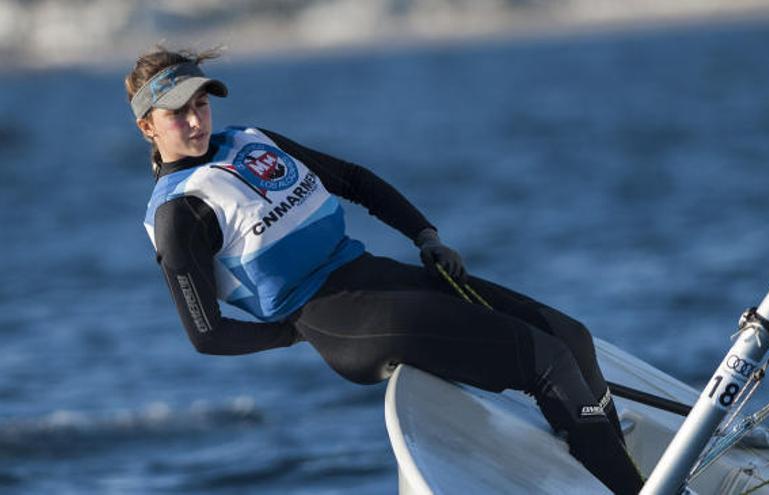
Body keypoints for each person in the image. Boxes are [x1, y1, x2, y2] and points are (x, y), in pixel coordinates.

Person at [127, 47, 643, 494]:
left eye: (200, 104)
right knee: (547, 362)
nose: (195, 121)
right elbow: (205, 334)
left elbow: (355, 180)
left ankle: (616, 468)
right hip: (343, 319)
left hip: (378, 277)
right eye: (177, 114)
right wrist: (293, 333)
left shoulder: (251, 141)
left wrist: (426, 236)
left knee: (572, 338)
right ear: (147, 126)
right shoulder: (180, 211)